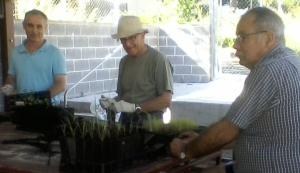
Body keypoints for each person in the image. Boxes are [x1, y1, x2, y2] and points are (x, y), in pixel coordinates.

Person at [170, 7, 300, 173]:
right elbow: (259, 132)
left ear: (268, 38)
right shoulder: (291, 61)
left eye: (242, 37)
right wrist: (200, 140)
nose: (235, 45)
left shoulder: (269, 70)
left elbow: (227, 130)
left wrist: (184, 151)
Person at [100, 15, 173, 126]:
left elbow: (166, 100)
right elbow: (123, 96)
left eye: (132, 37)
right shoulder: (123, 62)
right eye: (123, 40)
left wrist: (135, 108)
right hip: (125, 122)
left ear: (143, 36)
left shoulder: (158, 60)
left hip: (150, 124)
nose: (127, 44)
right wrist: (112, 103)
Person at [1, 9, 67, 105]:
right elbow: (11, 77)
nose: (34, 30)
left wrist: (37, 100)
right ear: (24, 26)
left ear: (45, 28)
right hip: (22, 107)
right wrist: (8, 86)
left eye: (39, 26)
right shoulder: (15, 52)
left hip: (48, 109)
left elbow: (61, 84)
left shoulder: (55, 53)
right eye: (30, 25)